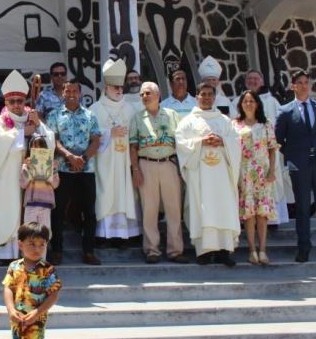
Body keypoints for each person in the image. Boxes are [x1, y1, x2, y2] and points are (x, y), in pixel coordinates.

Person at [0, 70, 55, 264]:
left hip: (32, 180)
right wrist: (21, 134)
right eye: (12, 101)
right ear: (5, 103)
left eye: (20, 100)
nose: (17, 105)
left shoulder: (31, 117)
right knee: (8, 211)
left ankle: (31, 253)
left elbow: (49, 142)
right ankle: (5, 254)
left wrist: (38, 126)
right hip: (7, 176)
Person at [275, 70, 316, 263]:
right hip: (299, 164)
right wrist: (293, 156)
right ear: (293, 86)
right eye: (300, 83)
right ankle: (304, 248)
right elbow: (279, 140)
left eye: (306, 82)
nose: (304, 86)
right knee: (302, 208)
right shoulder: (285, 111)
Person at [176, 83, 241, 266]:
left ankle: (224, 251)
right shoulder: (187, 121)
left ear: (214, 97)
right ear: (196, 96)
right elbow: (181, 144)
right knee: (202, 209)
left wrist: (223, 142)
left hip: (221, 177)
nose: (206, 97)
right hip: (200, 177)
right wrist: (200, 142)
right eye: (202, 94)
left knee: (223, 209)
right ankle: (204, 251)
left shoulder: (224, 121)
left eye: (209, 94)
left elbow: (236, 143)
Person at [129, 81, 188, 264]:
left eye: (148, 93)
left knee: (173, 209)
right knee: (149, 209)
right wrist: (136, 170)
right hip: (146, 164)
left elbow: (182, 143)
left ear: (158, 94)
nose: (145, 97)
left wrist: (180, 169)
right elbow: (133, 147)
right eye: (142, 94)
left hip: (169, 163)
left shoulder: (172, 115)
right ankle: (152, 249)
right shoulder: (137, 118)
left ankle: (175, 250)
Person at [46, 80, 102, 265]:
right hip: (62, 169)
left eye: (74, 91)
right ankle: (57, 251)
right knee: (58, 211)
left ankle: (89, 252)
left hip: (86, 170)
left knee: (89, 212)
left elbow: (95, 140)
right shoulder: (54, 115)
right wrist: (70, 156)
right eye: (67, 90)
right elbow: (53, 140)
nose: (71, 94)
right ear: (62, 93)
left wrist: (82, 159)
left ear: (80, 93)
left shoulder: (90, 115)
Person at [89, 59, 139, 243]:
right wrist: (110, 133)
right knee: (105, 194)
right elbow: (90, 136)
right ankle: (105, 235)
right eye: (115, 87)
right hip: (104, 162)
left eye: (121, 87)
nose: (119, 90)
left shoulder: (130, 109)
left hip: (124, 161)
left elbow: (136, 136)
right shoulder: (94, 109)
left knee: (124, 194)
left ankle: (124, 236)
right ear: (106, 86)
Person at [235, 69, 291, 226]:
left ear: (262, 81)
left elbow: (281, 124)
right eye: (250, 78)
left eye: (256, 78)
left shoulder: (272, 102)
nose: (253, 81)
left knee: (271, 185)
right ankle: (248, 221)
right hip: (245, 160)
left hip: (266, 156)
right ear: (245, 82)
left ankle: (272, 220)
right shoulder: (237, 102)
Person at [2, 222, 62, 339]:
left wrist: (37, 312)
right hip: (17, 320)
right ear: (21, 245)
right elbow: (8, 287)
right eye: (32, 244)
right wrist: (10, 309)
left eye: (42, 244)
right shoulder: (14, 266)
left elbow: (54, 295)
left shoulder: (47, 270)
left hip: (36, 321)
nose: (38, 248)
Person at [233, 90, 279, 265]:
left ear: (257, 104)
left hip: (262, 173)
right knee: (248, 214)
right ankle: (252, 250)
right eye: (245, 101)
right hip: (244, 173)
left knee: (262, 213)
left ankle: (263, 250)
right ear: (241, 104)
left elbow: (272, 149)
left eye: (252, 100)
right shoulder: (235, 125)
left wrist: (272, 171)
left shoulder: (266, 124)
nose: (248, 103)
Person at [20, 137, 59, 236]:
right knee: (28, 233)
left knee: (44, 234)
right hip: (31, 204)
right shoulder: (27, 164)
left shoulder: (51, 163)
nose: (37, 149)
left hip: (46, 204)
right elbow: (23, 184)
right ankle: (27, 252)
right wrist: (26, 167)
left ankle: (43, 251)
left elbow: (55, 184)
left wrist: (52, 170)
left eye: (40, 146)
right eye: (34, 147)